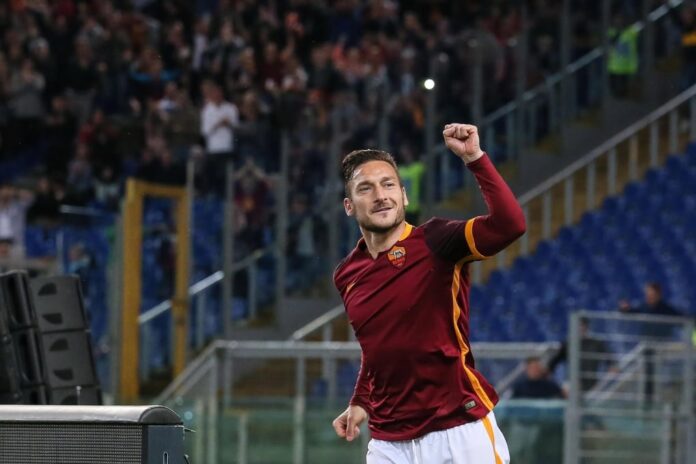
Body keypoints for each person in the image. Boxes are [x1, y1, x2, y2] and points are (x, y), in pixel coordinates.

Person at [332, 123, 526, 463]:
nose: (381, 195)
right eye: (366, 188)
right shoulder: (347, 274)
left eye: (388, 184)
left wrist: (475, 159)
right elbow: (377, 348)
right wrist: (361, 401)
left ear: (404, 195)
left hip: (458, 429)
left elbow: (511, 225)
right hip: (389, 441)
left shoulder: (436, 240)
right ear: (349, 206)